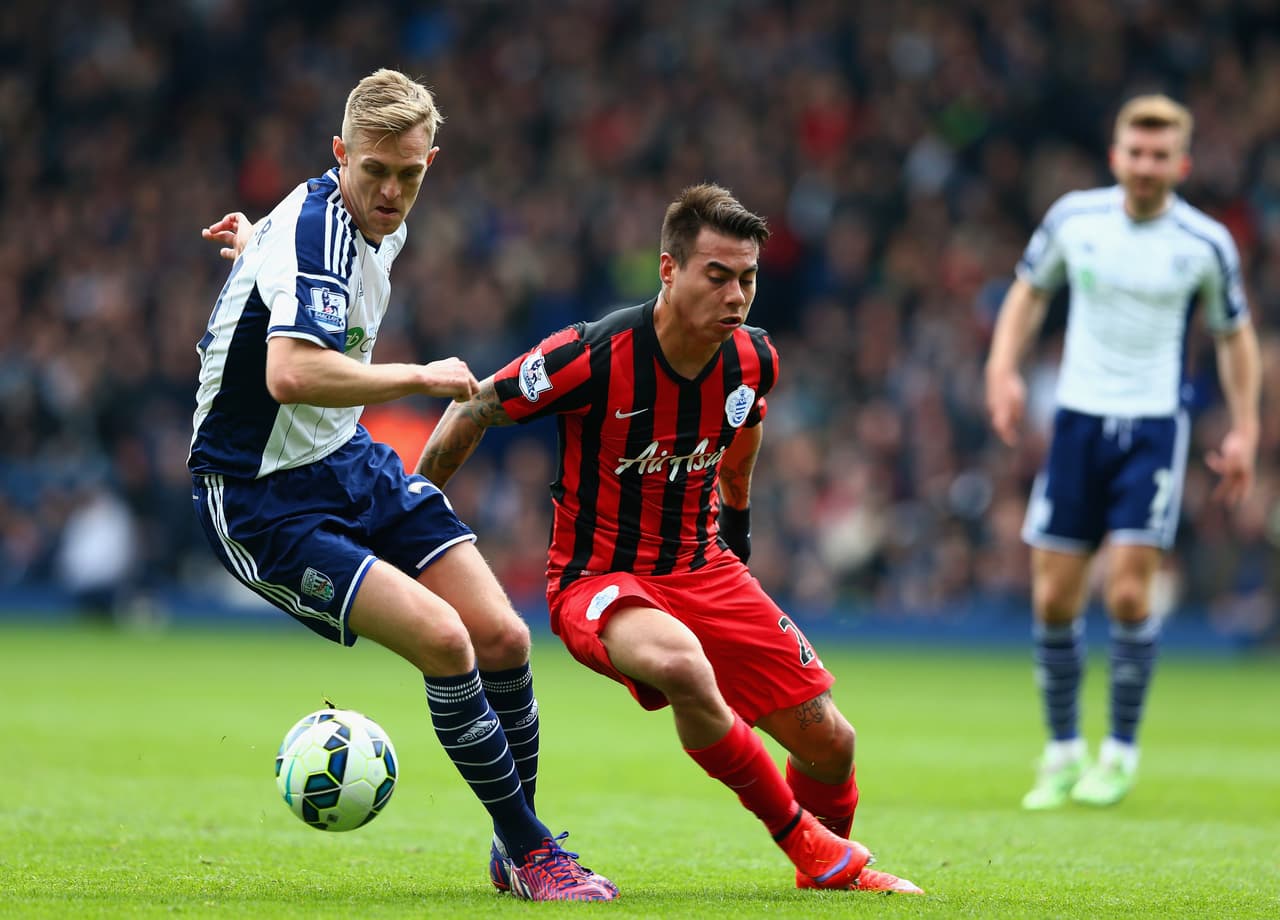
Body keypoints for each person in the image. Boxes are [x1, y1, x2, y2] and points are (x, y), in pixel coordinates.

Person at [416, 183, 923, 894]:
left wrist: (737, 518)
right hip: (599, 581)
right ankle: (811, 848)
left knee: (831, 744)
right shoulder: (591, 355)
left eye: (746, 278)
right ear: (668, 270)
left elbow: (745, 426)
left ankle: (826, 874)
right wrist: (416, 513)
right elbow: (477, 407)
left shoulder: (753, 359)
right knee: (682, 666)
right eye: (717, 275)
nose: (736, 295)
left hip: (704, 569)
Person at [190, 68, 615, 902]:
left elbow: (290, 250)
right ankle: (535, 854)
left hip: (344, 460)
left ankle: (513, 843)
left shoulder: (353, 220)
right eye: (374, 171)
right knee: (446, 641)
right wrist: (417, 374)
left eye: (409, 174)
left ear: (431, 161)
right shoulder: (318, 227)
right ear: (340, 155)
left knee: (503, 637)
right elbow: (287, 375)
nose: (390, 191)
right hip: (257, 495)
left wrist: (256, 249)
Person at [984, 94, 1261, 809]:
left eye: (1159, 155)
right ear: (1116, 156)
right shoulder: (1075, 220)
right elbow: (1027, 292)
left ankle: (1122, 751)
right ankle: (1062, 750)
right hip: (1078, 422)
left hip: (1152, 429)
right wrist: (1002, 369)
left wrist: (1246, 427)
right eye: (1134, 152)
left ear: (1181, 163)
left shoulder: (1204, 244)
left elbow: (1234, 336)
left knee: (1130, 590)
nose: (1145, 166)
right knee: (1052, 596)